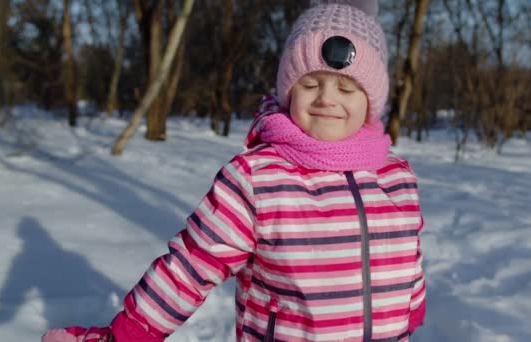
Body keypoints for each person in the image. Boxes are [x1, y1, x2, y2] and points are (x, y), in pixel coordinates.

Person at [42, 0, 426, 341]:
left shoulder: (396, 177)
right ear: (288, 91)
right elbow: (191, 263)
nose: (327, 98)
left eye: (346, 89)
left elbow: (409, 256)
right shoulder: (257, 179)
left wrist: (412, 307)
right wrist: (130, 333)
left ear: (371, 100)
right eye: (311, 84)